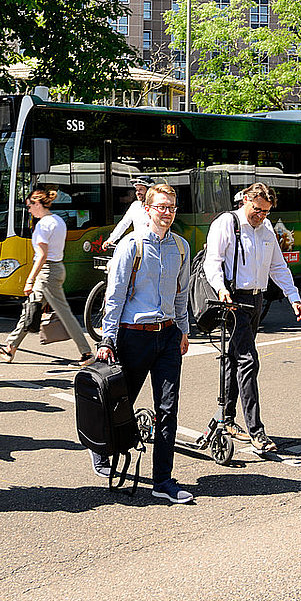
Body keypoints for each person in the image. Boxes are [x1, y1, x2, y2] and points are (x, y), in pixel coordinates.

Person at [93, 182, 195, 504]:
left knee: (168, 408)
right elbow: (115, 295)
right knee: (121, 403)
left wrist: (183, 330)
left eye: (171, 207)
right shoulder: (131, 246)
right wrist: (107, 339)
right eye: (161, 207)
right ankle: (101, 450)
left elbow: (181, 294)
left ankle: (162, 480)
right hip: (133, 336)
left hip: (167, 337)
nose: (167, 213)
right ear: (147, 209)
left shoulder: (181, 247)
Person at [202, 182, 301, 455]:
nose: (260, 216)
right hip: (233, 298)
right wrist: (221, 287)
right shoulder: (227, 223)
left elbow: (277, 266)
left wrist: (293, 296)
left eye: (266, 212)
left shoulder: (267, 228)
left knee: (235, 357)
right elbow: (212, 261)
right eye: (257, 210)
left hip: (257, 299)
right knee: (248, 361)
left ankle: (225, 417)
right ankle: (256, 431)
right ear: (245, 200)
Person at [0, 188, 94, 366]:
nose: (29, 210)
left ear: (38, 204)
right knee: (31, 308)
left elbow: (41, 255)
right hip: (56, 269)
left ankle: (86, 353)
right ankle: (10, 347)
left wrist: (30, 278)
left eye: (30, 206)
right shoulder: (58, 220)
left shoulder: (43, 225)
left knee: (63, 313)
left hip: (47, 272)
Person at [101, 174, 154, 250]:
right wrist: (111, 240)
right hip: (139, 246)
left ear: (149, 191)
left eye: (141, 189)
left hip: (153, 246)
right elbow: (124, 224)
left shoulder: (157, 207)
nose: (137, 192)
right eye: (137, 190)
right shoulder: (135, 206)